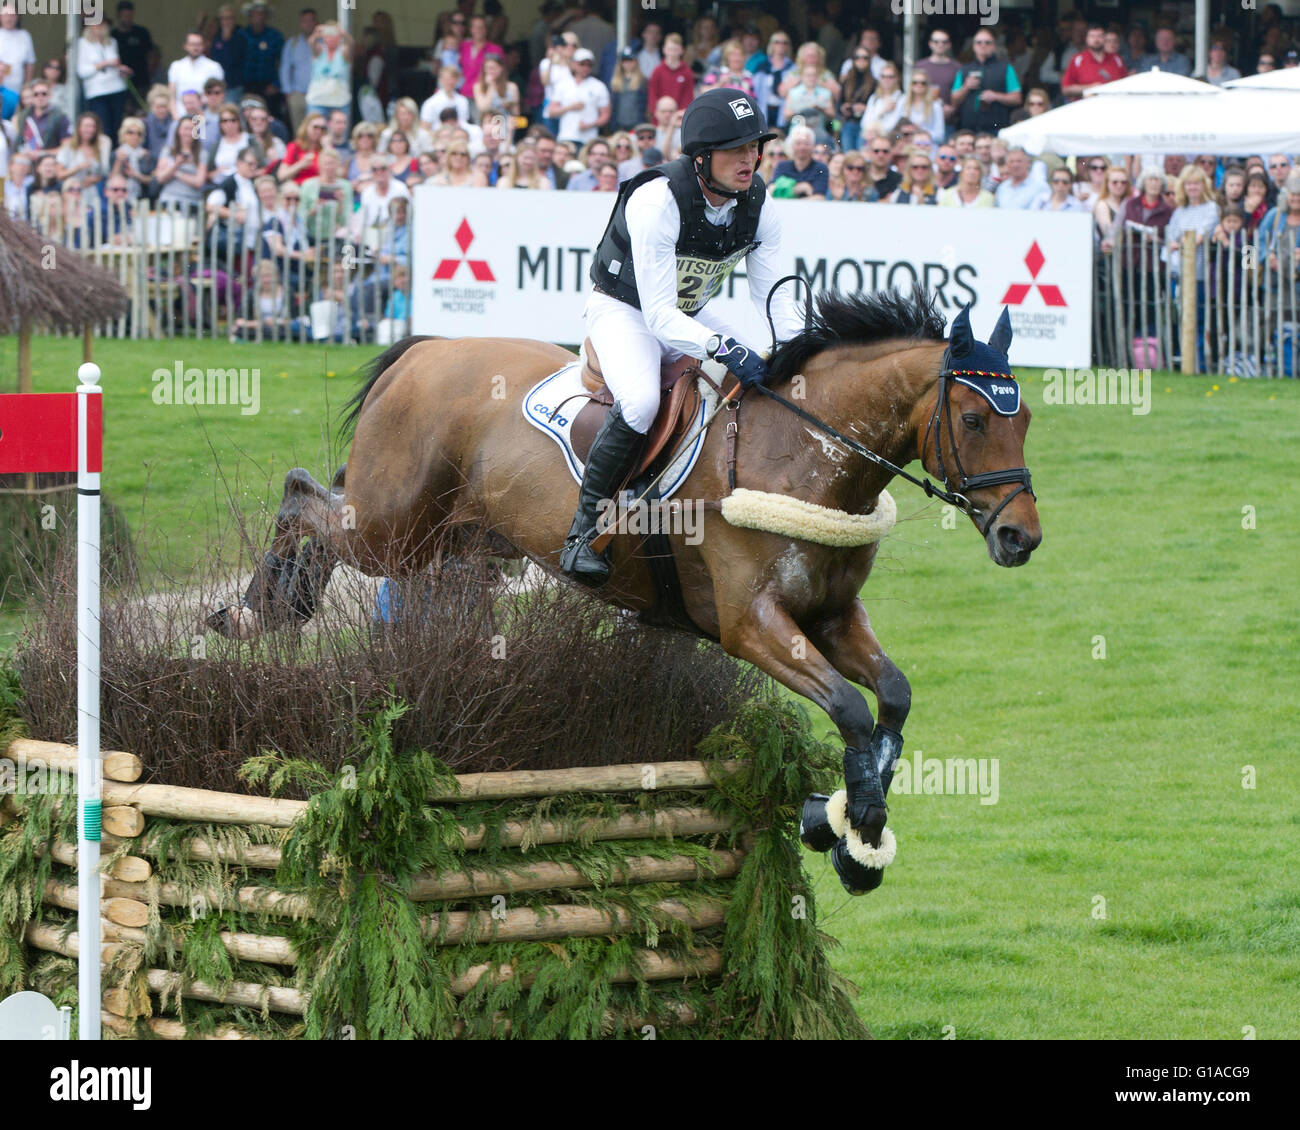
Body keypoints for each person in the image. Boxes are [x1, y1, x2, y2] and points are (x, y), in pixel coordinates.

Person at [567, 87, 803, 587]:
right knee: (640, 402)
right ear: (701, 157)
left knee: (763, 384)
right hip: (624, 312)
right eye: (736, 149)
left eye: (755, 146)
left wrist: (800, 348)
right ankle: (583, 532)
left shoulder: (760, 204)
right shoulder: (658, 200)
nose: (751, 158)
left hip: (689, 313)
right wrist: (726, 348)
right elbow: (656, 315)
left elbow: (775, 300)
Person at [952, 29, 1021, 134]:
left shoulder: (1006, 68)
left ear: (994, 46)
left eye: (987, 42)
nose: (983, 45)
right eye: (979, 42)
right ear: (973, 46)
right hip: (968, 129)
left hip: (996, 128)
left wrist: (996, 96)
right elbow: (954, 100)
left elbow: (1017, 98)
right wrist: (966, 86)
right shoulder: (964, 70)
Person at [77, 21, 131, 143]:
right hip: (97, 91)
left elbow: (115, 63)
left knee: (118, 126)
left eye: (101, 24)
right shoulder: (82, 44)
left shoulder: (112, 42)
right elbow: (82, 72)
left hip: (117, 87)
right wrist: (105, 64)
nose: (98, 27)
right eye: (95, 24)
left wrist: (121, 69)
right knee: (103, 127)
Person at [546, 48, 609, 147]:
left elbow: (605, 115)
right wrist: (570, 107)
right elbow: (551, 111)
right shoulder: (563, 84)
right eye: (582, 64)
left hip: (589, 139)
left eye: (589, 65)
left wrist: (590, 125)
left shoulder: (599, 86)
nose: (585, 68)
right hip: (566, 137)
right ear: (574, 64)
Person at [1060, 22, 1127, 100]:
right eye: (1092, 36)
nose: (1096, 39)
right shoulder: (1077, 60)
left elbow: (1125, 85)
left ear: (1105, 38)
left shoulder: (1116, 59)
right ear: (1086, 39)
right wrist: (1090, 88)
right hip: (1085, 107)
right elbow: (1066, 89)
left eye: (1099, 36)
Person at [155, 115, 210, 206]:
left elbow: (199, 182)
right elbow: (160, 178)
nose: (188, 132)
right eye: (185, 129)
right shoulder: (167, 151)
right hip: (169, 199)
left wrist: (177, 173)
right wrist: (176, 164)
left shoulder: (202, 154)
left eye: (192, 129)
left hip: (192, 201)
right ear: (179, 131)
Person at [238, 3, 284, 110]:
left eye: (261, 13)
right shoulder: (241, 34)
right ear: (250, 15)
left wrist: (276, 83)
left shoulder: (275, 36)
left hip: (268, 86)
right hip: (246, 85)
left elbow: (283, 62)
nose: (258, 16)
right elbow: (235, 60)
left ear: (266, 16)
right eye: (255, 13)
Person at [168, 32, 224, 118]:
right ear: (185, 46)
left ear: (204, 46)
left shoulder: (214, 67)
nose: (195, 47)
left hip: (206, 117)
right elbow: (172, 97)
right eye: (192, 44)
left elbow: (219, 96)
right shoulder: (176, 66)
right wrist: (176, 118)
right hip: (181, 116)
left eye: (198, 44)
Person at [113, 3, 156, 113]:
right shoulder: (113, 36)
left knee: (142, 110)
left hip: (142, 80)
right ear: (118, 15)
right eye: (124, 16)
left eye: (129, 16)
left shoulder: (141, 32)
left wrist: (149, 70)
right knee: (125, 111)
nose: (127, 19)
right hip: (120, 82)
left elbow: (152, 54)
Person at [280, 8, 318, 130]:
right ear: (301, 24)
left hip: (319, 94)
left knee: (317, 129)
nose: (307, 24)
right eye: (304, 21)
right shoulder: (292, 43)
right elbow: (285, 68)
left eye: (310, 20)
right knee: (299, 130)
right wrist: (288, 92)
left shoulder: (323, 43)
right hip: (297, 94)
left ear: (315, 22)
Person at [306, 22, 352, 124]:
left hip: (340, 101)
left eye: (334, 35)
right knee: (315, 129)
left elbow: (351, 44)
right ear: (324, 38)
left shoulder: (343, 51)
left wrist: (344, 33)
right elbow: (311, 43)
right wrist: (316, 34)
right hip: (318, 101)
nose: (331, 38)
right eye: (328, 35)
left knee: (339, 134)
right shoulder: (319, 51)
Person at [782, 62, 835, 146]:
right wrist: (803, 108)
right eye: (808, 75)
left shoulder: (825, 92)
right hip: (797, 132)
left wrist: (819, 108)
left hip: (818, 132)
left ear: (818, 77)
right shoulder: (793, 92)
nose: (811, 78)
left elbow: (832, 115)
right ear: (802, 77)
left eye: (814, 75)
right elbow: (786, 115)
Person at [773, 124, 828, 200]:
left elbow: (820, 198)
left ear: (813, 146)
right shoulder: (782, 166)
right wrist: (799, 188)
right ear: (792, 146)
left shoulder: (821, 168)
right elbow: (772, 189)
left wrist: (786, 191)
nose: (802, 147)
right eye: (798, 143)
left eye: (806, 143)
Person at [915, 28, 959, 120]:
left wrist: (953, 108)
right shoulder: (919, 66)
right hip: (923, 117)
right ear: (930, 44)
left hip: (948, 120)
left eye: (944, 42)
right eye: (936, 41)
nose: (940, 44)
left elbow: (959, 92)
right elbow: (912, 91)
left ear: (949, 45)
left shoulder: (957, 67)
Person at [0, 3, 36, 115]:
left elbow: (30, 63)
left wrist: (27, 86)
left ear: (17, 17)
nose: (9, 18)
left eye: (12, 15)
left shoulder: (24, 35)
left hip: (18, 88)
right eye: (6, 15)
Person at [837, 46, 874, 154]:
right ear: (853, 60)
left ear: (869, 60)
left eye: (865, 58)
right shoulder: (846, 82)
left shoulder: (874, 83)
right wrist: (844, 108)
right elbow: (838, 105)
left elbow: (877, 105)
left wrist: (866, 108)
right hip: (848, 122)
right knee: (848, 155)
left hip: (866, 125)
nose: (861, 61)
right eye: (857, 57)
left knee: (863, 155)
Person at [111, 116, 155, 202]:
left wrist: (135, 175)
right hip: (120, 199)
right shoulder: (116, 154)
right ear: (123, 134)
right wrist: (119, 161)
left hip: (142, 198)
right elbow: (111, 181)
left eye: (139, 133)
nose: (135, 136)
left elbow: (153, 181)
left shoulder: (147, 155)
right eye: (130, 132)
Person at [647, 32, 694, 112]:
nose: (672, 53)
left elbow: (688, 97)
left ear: (681, 51)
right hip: (660, 118)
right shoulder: (657, 71)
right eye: (670, 49)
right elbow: (652, 96)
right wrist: (657, 112)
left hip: (679, 118)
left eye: (675, 50)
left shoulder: (687, 72)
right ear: (664, 50)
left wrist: (681, 114)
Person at [459, 13, 503, 97]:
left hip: (485, 94)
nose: (478, 29)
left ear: (486, 29)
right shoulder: (463, 46)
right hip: (463, 93)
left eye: (481, 27)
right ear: (471, 29)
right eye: (475, 27)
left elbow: (500, 74)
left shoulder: (495, 49)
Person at [279, 111, 326, 184]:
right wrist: (301, 164)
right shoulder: (295, 146)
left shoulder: (325, 148)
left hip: (319, 186)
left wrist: (327, 148)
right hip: (298, 187)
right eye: (315, 127)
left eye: (322, 128)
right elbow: (281, 175)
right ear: (306, 127)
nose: (318, 131)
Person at [608, 47, 647, 132]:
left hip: (637, 124)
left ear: (636, 61)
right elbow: (613, 107)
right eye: (625, 60)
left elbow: (645, 106)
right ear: (621, 63)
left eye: (630, 60)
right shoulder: (615, 81)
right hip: (619, 125)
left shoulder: (642, 81)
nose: (628, 63)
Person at [861, 63, 904, 138]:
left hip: (892, 139)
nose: (886, 80)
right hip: (872, 139)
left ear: (896, 79)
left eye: (890, 77)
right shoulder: (874, 98)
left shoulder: (902, 98)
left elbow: (895, 124)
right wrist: (882, 112)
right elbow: (864, 123)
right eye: (883, 76)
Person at [901, 72, 944, 143]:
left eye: (923, 83)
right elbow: (896, 135)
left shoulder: (935, 106)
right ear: (911, 85)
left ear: (927, 86)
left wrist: (920, 131)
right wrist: (904, 135)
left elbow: (940, 136)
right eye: (915, 82)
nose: (919, 85)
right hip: (906, 147)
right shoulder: (902, 102)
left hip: (927, 147)